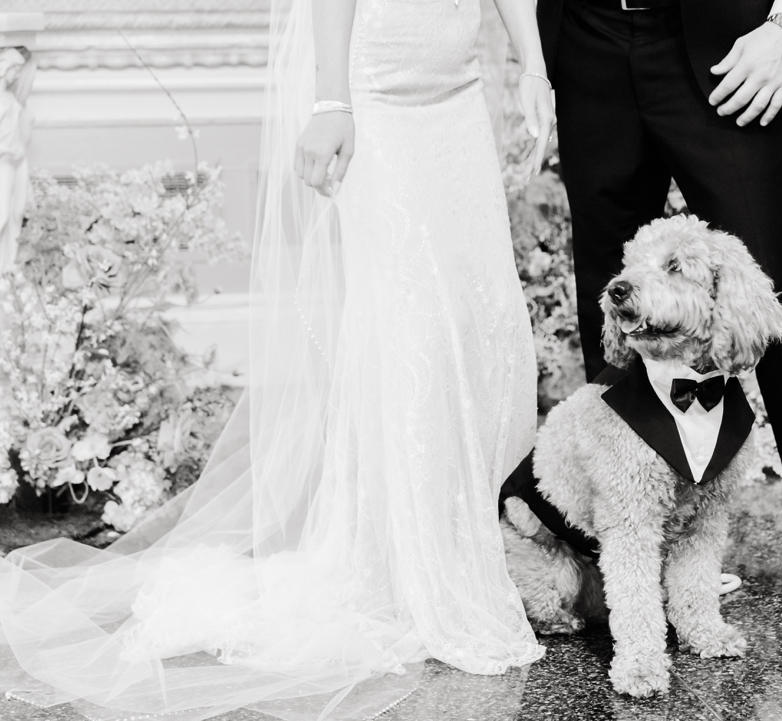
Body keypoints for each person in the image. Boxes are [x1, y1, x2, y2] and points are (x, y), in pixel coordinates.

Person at [0, 0, 555, 717]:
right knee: (414, 328)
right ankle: (411, 565)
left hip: (457, 86)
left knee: (490, 318)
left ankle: (473, 540)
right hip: (376, 89)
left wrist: (531, 64)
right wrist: (331, 100)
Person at [534, 0, 782, 639]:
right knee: (617, 296)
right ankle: (631, 557)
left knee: (772, 296)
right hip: (587, 40)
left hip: (723, 39)